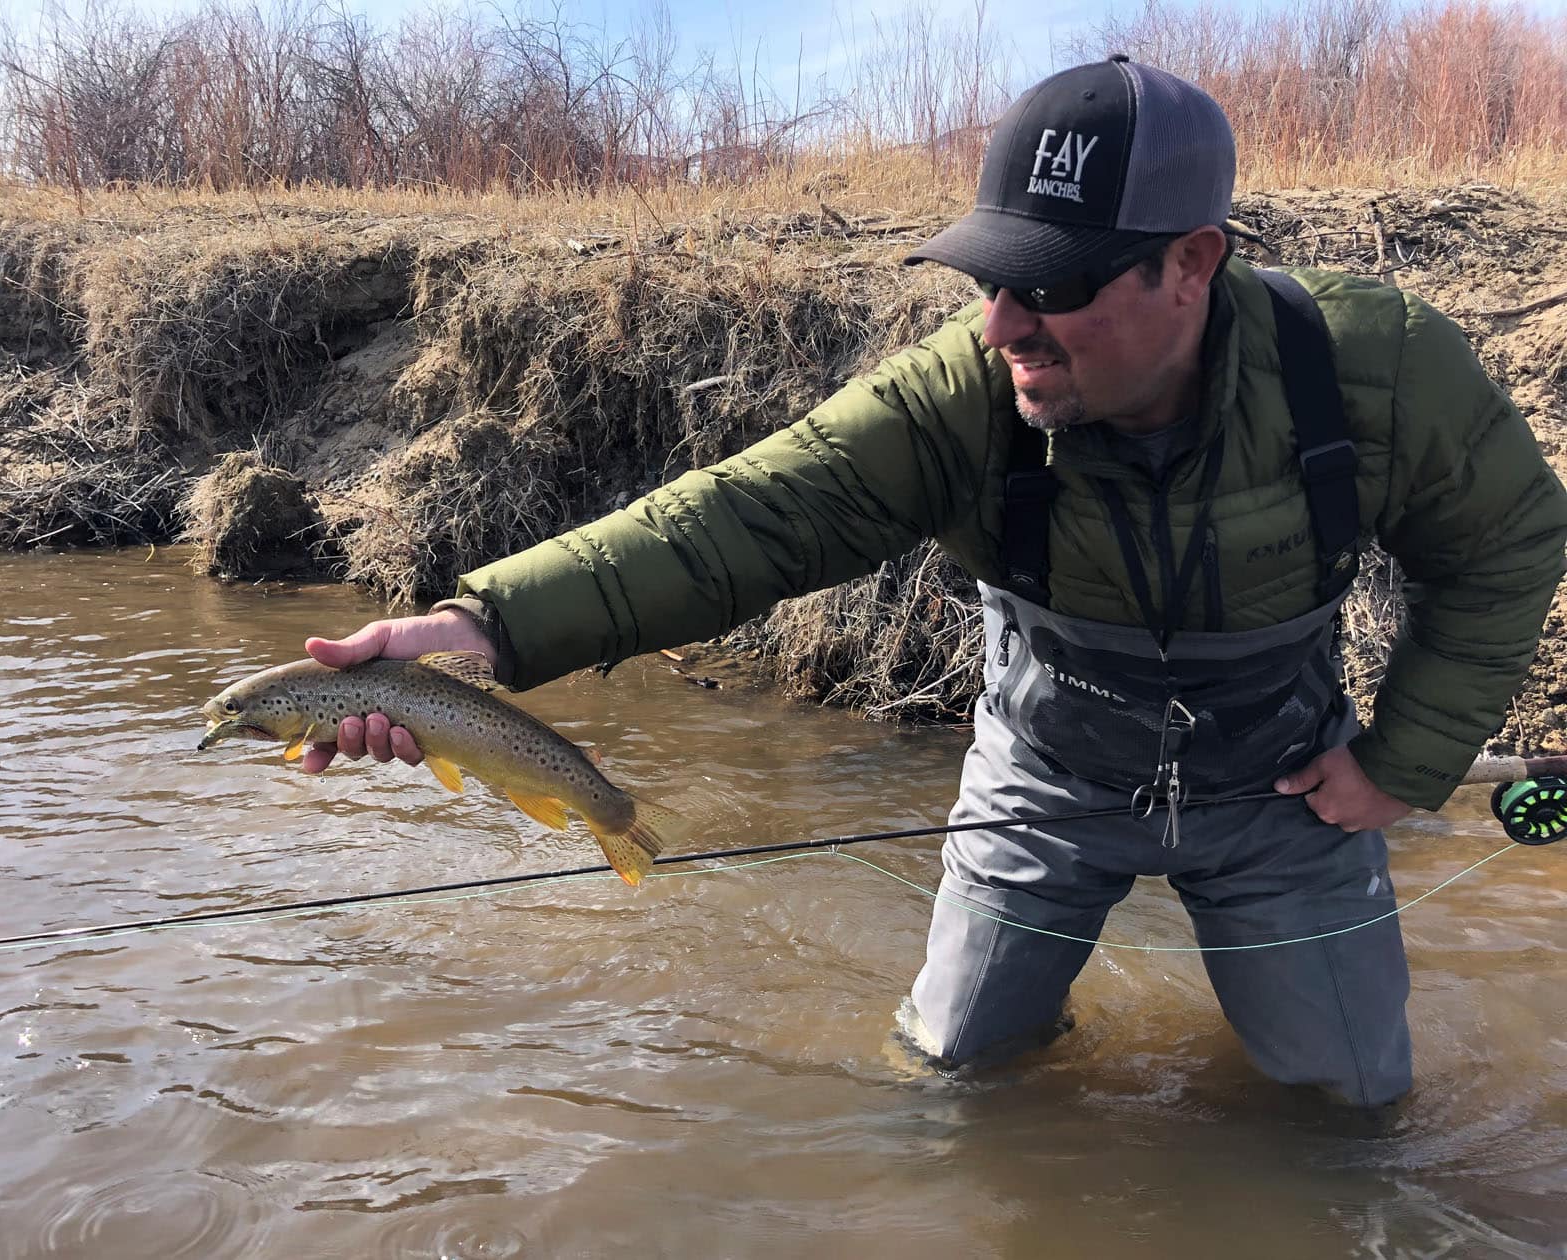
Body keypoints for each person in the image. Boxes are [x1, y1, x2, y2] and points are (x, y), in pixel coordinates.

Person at [299, 56, 1567, 1106]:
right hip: (1046, 780)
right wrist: (482, 629)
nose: (1005, 325)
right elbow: (747, 518)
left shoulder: (1373, 366)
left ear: (1191, 262)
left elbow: (1508, 544)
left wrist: (1404, 762)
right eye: (992, 277)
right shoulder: (965, 390)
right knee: (953, 1085)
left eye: (1053, 285)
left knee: (1353, 1116)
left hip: (1285, 786)